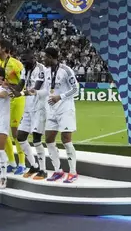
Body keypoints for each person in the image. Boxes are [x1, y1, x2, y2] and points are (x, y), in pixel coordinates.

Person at [42, 47, 80, 183]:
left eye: (45, 57)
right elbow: (47, 90)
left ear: (52, 57)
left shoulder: (66, 70)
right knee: (49, 139)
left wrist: (60, 97)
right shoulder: (46, 72)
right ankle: (58, 170)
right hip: (52, 109)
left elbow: (76, 89)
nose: (43, 59)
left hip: (65, 109)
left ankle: (73, 172)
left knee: (66, 140)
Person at [0, 39, 25, 174]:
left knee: (16, 132)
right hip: (5, 101)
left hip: (16, 101)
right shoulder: (0, 63)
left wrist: (11, 88)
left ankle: (22, 164)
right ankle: (11, 162)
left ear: (5, 49)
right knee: (3, 131)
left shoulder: (16, 64)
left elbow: (23, 82)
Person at [15, 50, 48, 180]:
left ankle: (43, 170)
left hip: (39, 108)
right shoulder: (25, 69)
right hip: (28, 108)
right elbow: (21, 84)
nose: (23, 63)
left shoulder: (41, 69)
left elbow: (36, 88)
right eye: (22, 61)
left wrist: (21, 93)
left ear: (33, 58)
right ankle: (34, 166)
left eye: (25, 60)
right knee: (20, 136)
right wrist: (11, 90)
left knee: (36, 139)